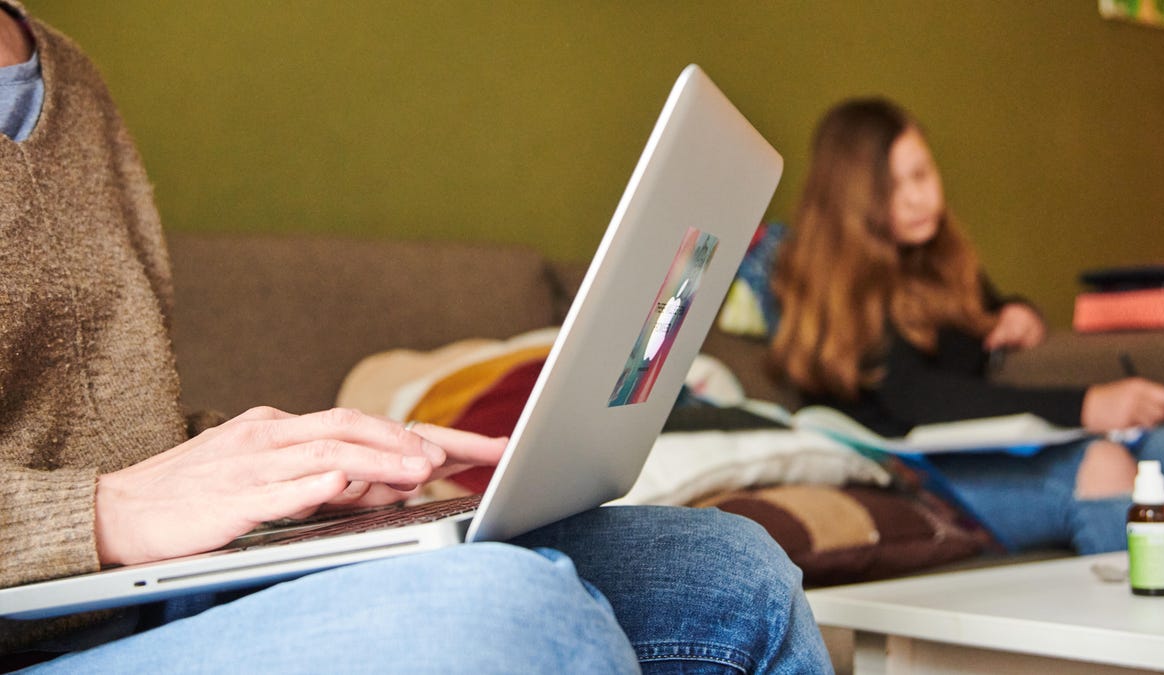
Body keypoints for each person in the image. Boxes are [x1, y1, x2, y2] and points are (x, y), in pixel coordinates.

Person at [0, 4, 834, 672]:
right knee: (519, 612)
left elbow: (103, 427)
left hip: (151, 592)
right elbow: (115, 497)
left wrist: (296, 475)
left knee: (733, 572)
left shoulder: (69, 77)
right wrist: (101, 511)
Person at [769, 96, 1164, 557]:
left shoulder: (936, 260)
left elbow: (986, 310)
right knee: (1103, 464)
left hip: (984, 452)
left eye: (922, 174)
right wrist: (1085, 405)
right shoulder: (837, 285)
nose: (918, 198)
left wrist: (1019, 312)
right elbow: (916, 396)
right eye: (892, 188)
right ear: (854, 201)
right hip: (910, 473)